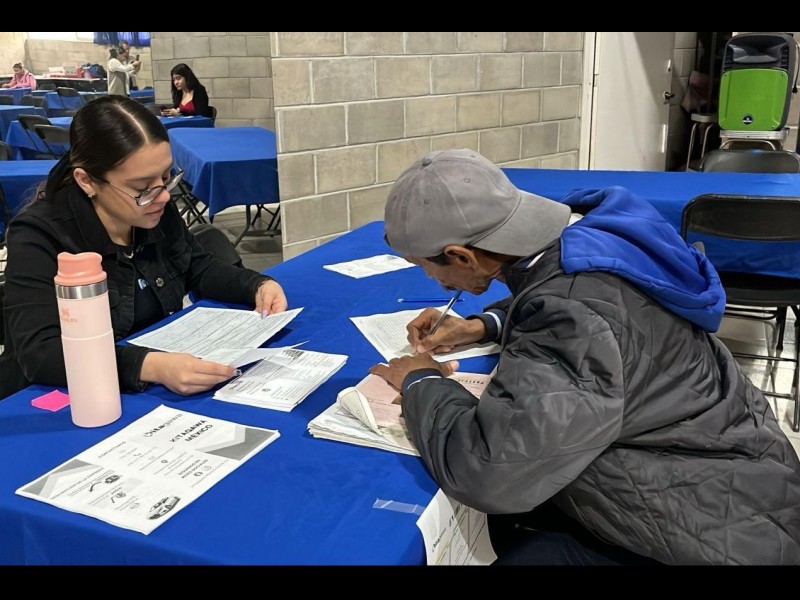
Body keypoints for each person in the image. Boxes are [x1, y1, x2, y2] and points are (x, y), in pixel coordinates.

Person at [371, 148, 800, 565]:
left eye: (425, 267)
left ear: (461, 256)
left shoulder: (572, 314)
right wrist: (485, 325)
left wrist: (422, 380)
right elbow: (592, 301)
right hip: (741, 476)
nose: (430, 278)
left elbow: (491, 473)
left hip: (705, 531)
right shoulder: (598, 231)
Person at [0, 96, 287, 401]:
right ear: (87, 181)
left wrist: (255, 285)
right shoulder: (39, 236)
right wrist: (151, 366)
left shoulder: (153, 207)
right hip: (62, 397)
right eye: (141, 188)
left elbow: (197, 267)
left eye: (166, 177)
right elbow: (41, 353)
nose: (163, 196)